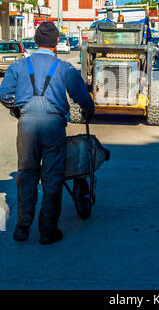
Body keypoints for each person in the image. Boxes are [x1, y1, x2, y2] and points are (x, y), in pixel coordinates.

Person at [0, 22, 94, 245]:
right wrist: (87, 111)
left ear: (35, 41)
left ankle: (22, 226)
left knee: (26, 174)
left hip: (27, 125)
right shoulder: (64, 69)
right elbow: (83, 98)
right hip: (53, 125)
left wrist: (16, 108)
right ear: (56, 43)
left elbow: (4, 94)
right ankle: (47, 231)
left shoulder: (19, 66)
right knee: (52, 178)